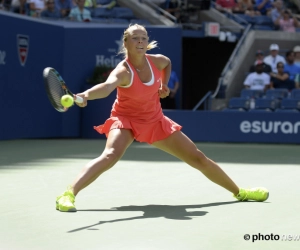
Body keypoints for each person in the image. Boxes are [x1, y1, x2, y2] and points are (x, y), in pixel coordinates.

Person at [55, 24, 269, 212]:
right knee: (110, 155)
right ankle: (69, 194)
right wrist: (84, 96)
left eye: (144, 38)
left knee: (198, 158)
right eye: (135, 38)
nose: (140, 41)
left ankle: (240, 192)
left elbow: (167, 64)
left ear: (147, 42)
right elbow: (106, 87)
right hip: (126, 119)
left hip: (155, 120)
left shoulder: (156, 61)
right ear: (126, 43)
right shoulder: (123, 71)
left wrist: (163, 85)